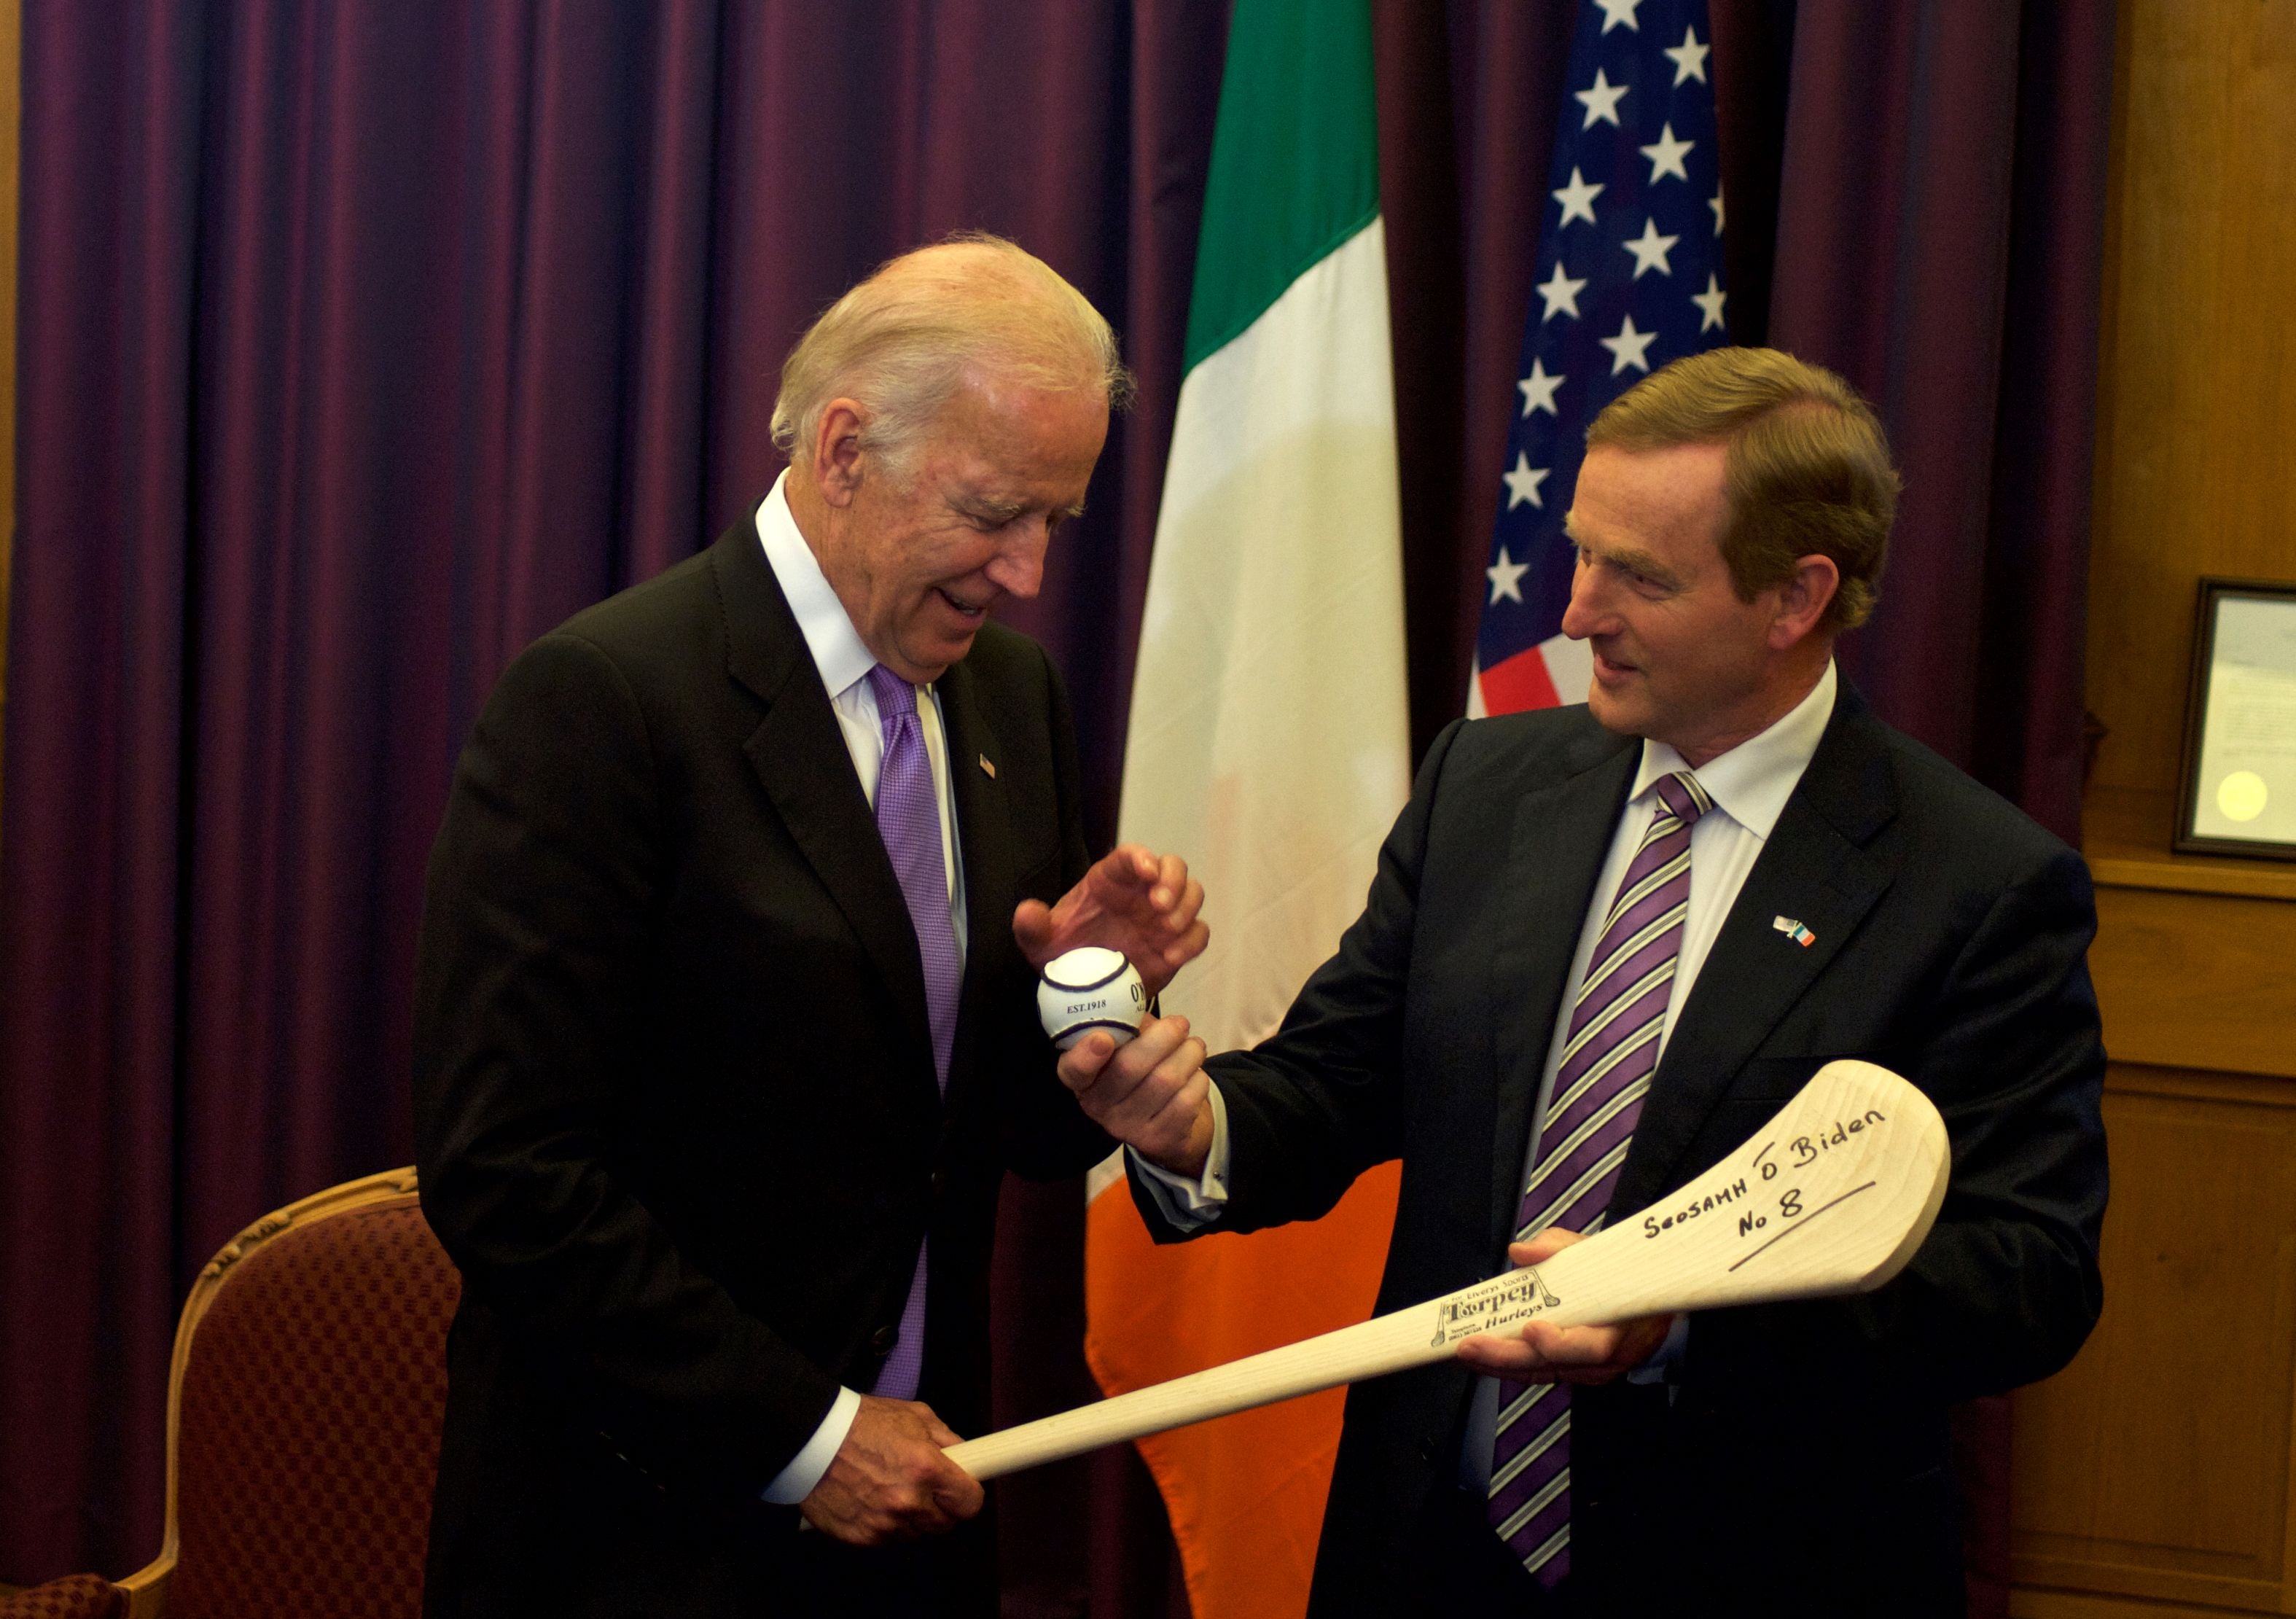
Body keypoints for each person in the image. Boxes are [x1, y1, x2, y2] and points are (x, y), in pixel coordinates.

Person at [1068, 348, 2107, 1616]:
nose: (1573, 611)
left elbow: (2026, 1275)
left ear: (1795, 597)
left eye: (1640, 576)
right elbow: (1340, 1075)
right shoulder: (1487, 785)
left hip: (1752, 1566)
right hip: (1425, 1548)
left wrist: (1679, 1325)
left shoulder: (1978, 884)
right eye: (1579, 550)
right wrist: (1193, 1127)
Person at [413, 235, 1207, 1617]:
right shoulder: (606, 699)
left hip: (920, 1517)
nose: (1023, 571)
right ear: (844, 448)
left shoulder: (1008, 694)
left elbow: (989, 1127)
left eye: (1053, 523)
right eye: (993, 511)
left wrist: (1088, 1008)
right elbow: (509, 1172)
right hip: (640, 1532)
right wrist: (810, 1436)